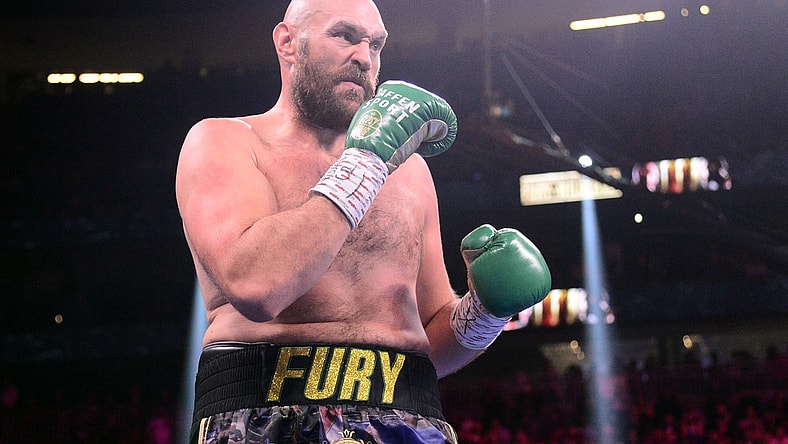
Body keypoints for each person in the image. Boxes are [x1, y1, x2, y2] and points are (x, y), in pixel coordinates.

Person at [175, 1, 552, 443]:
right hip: (265, 411)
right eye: (345, 36)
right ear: (288, 42)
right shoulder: (225, 142)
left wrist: (484, 314)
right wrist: (366, 163)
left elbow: (427, 340)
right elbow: (257, 285)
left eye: (376, 45)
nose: (364, 57)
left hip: (410, 417)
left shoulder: (410, 171)